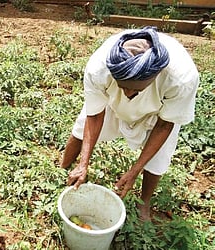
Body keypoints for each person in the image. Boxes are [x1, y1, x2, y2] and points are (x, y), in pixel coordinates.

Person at [60, 26, 199, 221]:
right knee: (81, 128)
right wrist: (84, 164)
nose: (128, 95)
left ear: (154, 77)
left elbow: (164, 125)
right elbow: (94, 115)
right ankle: (64, 169)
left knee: (159, 156)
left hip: (157, 112)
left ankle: (145, 202)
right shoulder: (100, 67)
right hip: (111, 101)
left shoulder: (181, 79)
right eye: (124, 87)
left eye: (135, 90)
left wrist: (134, 171)